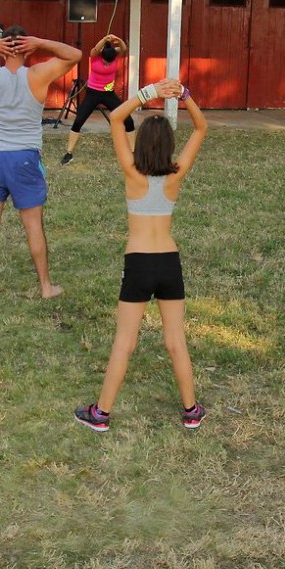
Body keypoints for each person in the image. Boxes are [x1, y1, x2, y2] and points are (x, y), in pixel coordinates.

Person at [74, 78, 208, 432]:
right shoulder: (176, 175)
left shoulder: (131, 172)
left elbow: (117, 118)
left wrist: (148, 93)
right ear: (169, 147)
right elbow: (201, 127)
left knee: (125, 342)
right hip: (168, 262)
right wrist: (184, 95)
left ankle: (101, 414)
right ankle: (191, 411)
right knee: (176, 341)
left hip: (138, 262)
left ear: (142, 144)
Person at [0, 25, 81, 299]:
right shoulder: (38, 74)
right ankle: (46, 287)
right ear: (27, 49)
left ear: (3, 49)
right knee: (33, 225)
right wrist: (41, 42)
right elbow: (75, 55)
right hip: (25, 158)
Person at [61, 34, 129, 164]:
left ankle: (132, 151)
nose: (107, 64)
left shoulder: (114, 54)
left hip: (109, 94)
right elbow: (96, 49)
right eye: (105, 61)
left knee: (127, 119)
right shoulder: (95, 56)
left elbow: (124, 48)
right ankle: (69, 153)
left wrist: (118, 39)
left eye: (110, 62)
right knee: (78, 121)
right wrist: (104, 39)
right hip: (92, 94)